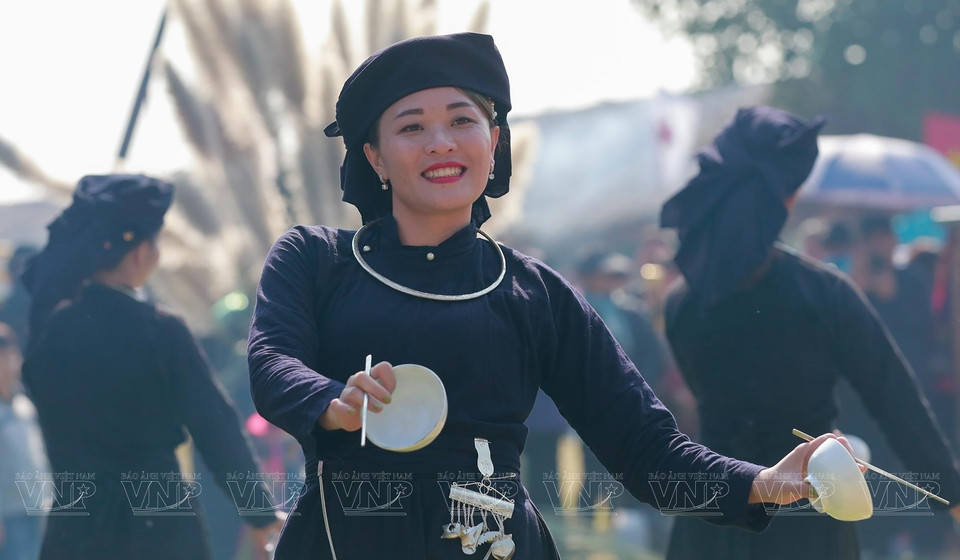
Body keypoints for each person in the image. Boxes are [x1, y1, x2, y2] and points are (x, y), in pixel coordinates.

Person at [247, 33, 851, 560]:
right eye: (411, 127)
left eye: (462, 120)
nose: (440, 142)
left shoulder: (534, 292)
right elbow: (271, 363)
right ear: (374, 157)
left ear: (494, 140)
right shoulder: (317, 259)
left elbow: (643, 447)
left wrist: (765, 482)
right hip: (345, 541)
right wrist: (333, 399)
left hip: (492, 546)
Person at [659, 106, 960, 560]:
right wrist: (951, 493)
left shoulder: (682, 300)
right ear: (788, 198)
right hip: (808, 509)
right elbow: (893, 397)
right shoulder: (824, 292)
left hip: (712, 507)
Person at [20, 175, 282, 560]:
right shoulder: (160, 330)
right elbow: (216, 430)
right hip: (160, 530)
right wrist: (260, 514)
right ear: (142, 252)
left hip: (74, 531)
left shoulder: (49, 332)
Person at [0, 323, 49, 560]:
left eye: (12, 353)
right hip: (9, 516)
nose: (10, 361)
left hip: (38, 507)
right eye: (4, 355)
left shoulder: (24, 405)